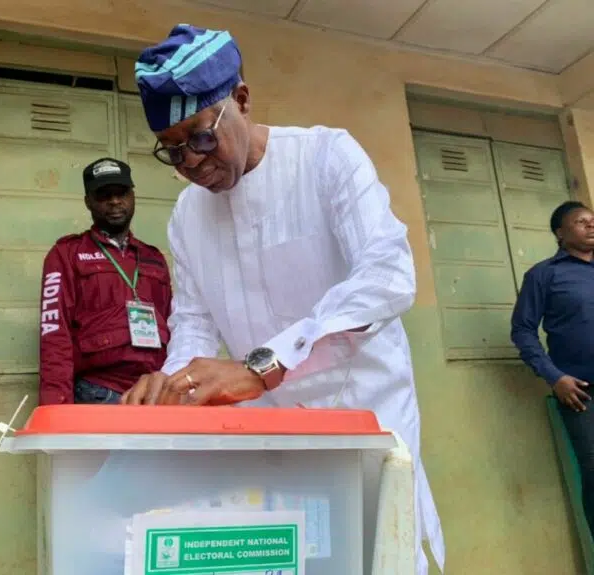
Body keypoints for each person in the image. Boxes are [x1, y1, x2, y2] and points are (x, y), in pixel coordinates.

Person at [121, 24, 446, 574]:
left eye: (201, 137)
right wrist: (175, 386)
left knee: (377, 558)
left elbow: (388, 275)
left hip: (366, 419)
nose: (192, 164)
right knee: (298, 559)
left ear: (241, 101)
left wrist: (264, 365)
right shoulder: (187, 216)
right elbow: (195, 323)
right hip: (273, 434)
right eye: (172, 152)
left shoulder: (326, 157)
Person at [39, 157, 172, 405]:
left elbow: (176, 325)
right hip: (100, 392)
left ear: (133, 196)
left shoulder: (153, 258)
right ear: (88, 202)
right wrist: (55, 405)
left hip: (154, 392)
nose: (114, 201)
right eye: (104, 195)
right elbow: (54, 333)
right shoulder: (67, 254)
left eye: (121, 192)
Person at [511, 200, 594, 536]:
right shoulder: (544, 275)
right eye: (580, 221)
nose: (590, 225)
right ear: (560, 233)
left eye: (593, 220)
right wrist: (553, 376)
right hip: (581, 394)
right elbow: (522, 330)